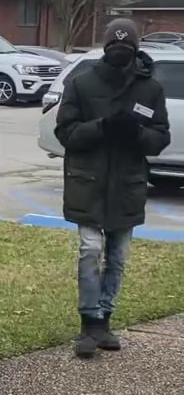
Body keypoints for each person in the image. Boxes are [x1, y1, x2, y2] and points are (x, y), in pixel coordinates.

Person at [55, 19, 169, 359]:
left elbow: (160, 138)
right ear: (105, 48)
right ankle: (89, 322)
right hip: (87, 182)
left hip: (127, 185)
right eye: (114, 45)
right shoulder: (82, 83)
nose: (121, 51)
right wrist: (102, 126)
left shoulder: (151, 90)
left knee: (117, 258)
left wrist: (136, 133)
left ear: (136, 49)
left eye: (127, 46)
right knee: (90, 251)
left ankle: (105, 318)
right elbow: (67, 133)